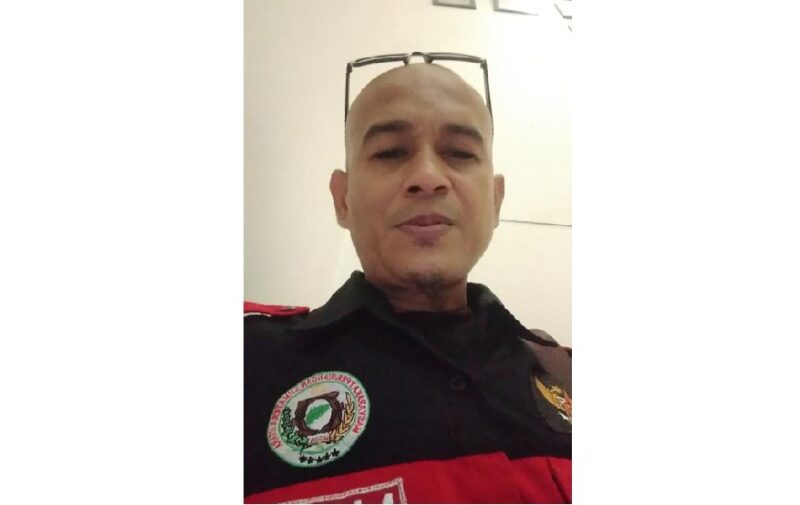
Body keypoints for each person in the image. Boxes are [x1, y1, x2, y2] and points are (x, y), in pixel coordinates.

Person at [244, 56, 571, 503]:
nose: (428, 177)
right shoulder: (247, 366)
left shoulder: (568, 375)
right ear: (343, 199)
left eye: (460, 153)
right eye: (390, 152)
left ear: (495, 200)